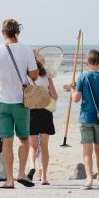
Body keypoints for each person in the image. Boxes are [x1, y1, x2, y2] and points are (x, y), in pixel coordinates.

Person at [0, 19, 39, 188]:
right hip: (21, 101)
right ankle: (21, 173)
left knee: (7, 141)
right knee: (23, 139)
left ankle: (9, 180)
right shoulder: (26, 50)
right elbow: (35, 75)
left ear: (3, 32)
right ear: (18, 32)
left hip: (2, 102)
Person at [71, 49, 99, 189]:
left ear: (87, 63)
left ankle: (89, 179)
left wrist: (72, 89)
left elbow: (76, 99)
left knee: (87, 150)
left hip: (85, 118)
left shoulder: (82, 77)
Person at [27, 50, 58, 185]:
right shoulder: (47, 76)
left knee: (33, 146)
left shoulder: (27, 76)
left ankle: (32, 166)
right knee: (44, 146)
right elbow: (55, 96)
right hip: (45, 112)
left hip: (31, 112)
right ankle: (44, 177)